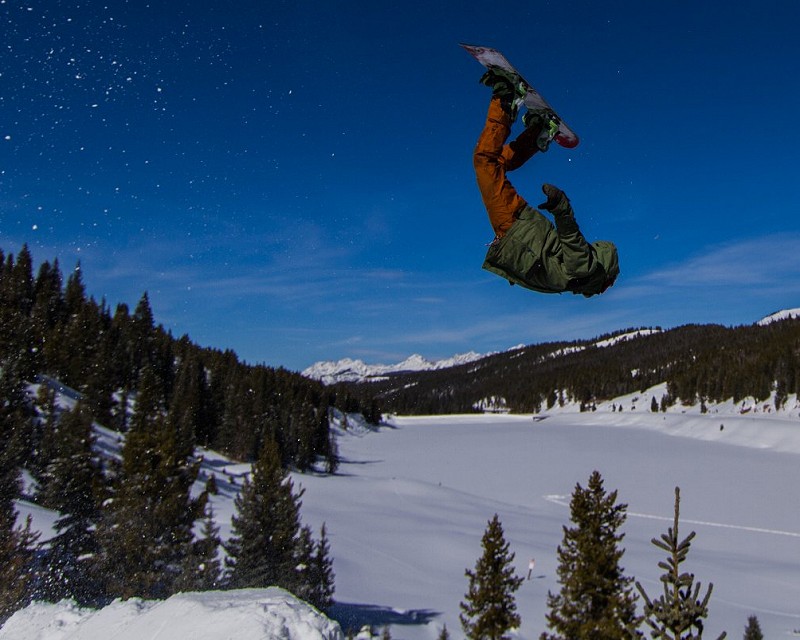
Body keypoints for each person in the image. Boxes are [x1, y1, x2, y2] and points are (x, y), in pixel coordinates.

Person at [473, 68, 619, 297]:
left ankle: (539, 130)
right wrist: (561, 207)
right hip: (516, 227)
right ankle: (507, 98)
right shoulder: (586, 270)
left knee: (495, 164)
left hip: (520, 231)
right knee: (485, 161)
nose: (606, 289)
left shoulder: (576, 279)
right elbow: (571, 238)